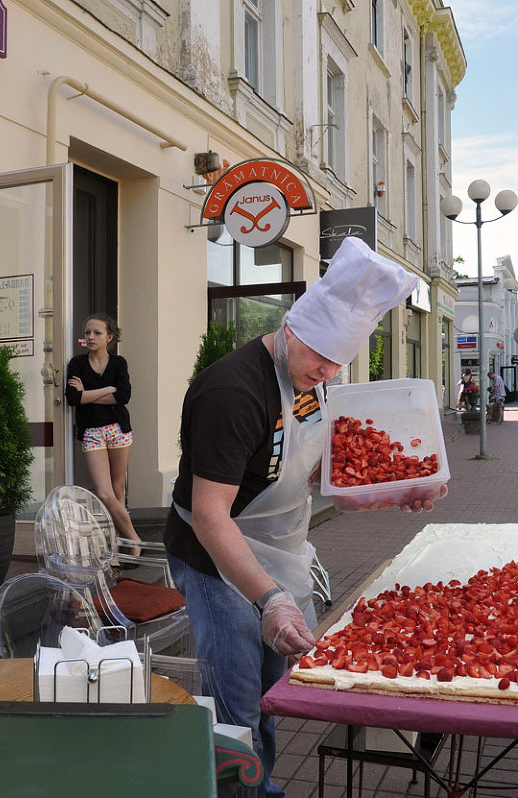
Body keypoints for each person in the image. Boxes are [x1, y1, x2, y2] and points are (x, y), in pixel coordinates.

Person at [163, 236, 419, 797]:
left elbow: (310, 470)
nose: (325, 371)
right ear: (291, 328)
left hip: (276, 547)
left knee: (269, 697)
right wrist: (269, 599)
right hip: (215, 559)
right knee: (237, 712)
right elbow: (209, 516)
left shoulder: (312, 380)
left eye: (337, 362)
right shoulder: (234, 391)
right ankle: (239, 790)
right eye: (318, 355)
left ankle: (264, 785)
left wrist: (389, 489)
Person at [65, 313, 142, 552]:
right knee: (104, 493)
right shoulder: (77, 364)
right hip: (92, 432)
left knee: (118, 490)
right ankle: (134, 539)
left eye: (96, 333)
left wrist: (89, 394)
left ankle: (116, 550)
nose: (90, 337)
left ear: (109, 337)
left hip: (118, 429)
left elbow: (123, 396)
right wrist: (107, 389)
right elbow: (73, 399)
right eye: (87, 332)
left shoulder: (119, 363)